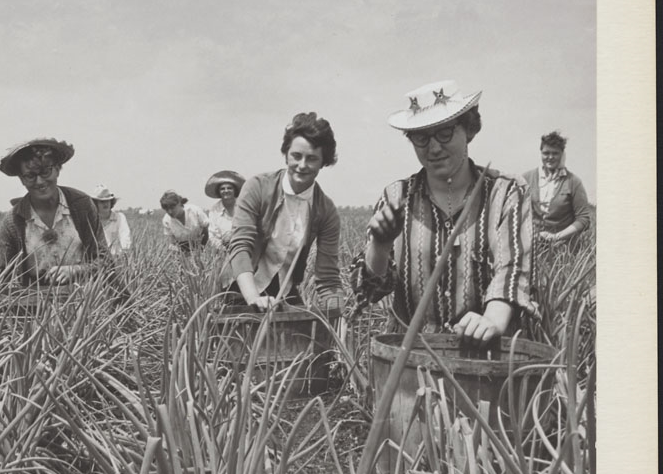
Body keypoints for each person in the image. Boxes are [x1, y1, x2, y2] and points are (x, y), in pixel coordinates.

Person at [350, 80, 536, 346]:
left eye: (445, 133)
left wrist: (491, 321)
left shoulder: (506, 192)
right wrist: (380, 246)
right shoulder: (396, 197)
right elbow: (368, 291)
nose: (434, 148)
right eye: (421, 138)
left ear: (469, 130)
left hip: (484, 355)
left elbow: (512, 269)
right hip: (412, 355)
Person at [223, 112, 342, 311]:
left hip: (283, 291)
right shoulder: (257, 187)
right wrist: (253, 299)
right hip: (241, 285)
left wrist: (339, 315)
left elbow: (328, 278)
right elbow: (241, 246)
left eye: (312, 159)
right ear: (286, 154)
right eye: (296, 156)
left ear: (323, 162)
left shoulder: (326, 211)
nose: (302, 165)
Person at [0, 138, 111, 285]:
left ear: (58, 169)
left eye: (46, 171)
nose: (39, 181)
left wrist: (77, 270)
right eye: (30, 176)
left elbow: (106, 261)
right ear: (22, 179)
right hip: (34, 302)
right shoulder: (13, 221)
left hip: (82, 296)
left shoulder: (82, 206)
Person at [522, 131, 593, 245]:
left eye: (555, 153)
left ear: (562, 154)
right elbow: (517, 214)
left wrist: (556, 237)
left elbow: (583, 219)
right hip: (531, 245)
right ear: (540, 153)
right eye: (546, 153)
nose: (550, 157)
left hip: (562, 249)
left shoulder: (573, 182)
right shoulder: (526, 178)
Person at [204, 170, 246, 250]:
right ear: (219, 192)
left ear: (235, 191)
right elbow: (213, 235)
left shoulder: (244, 205)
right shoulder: (214, 210)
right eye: (222, 189)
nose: (226, 191)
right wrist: (221, 248)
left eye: (229, 188)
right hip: (224, 247)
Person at [92, 184, 132, 256]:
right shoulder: (92, 220)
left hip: (117, 258)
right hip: (97, 259)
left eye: (108, 201)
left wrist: (124, 253)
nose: (106, 204)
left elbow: (125, 238)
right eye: (102, 202)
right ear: (95, 203)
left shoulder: (119, 217)